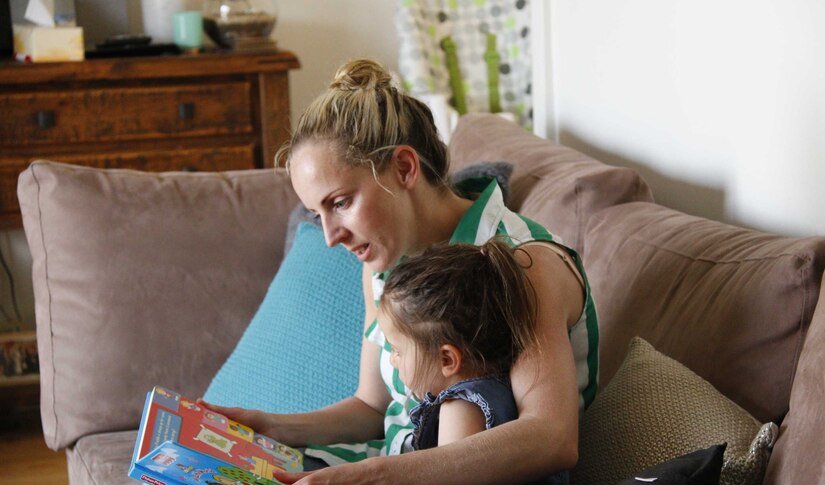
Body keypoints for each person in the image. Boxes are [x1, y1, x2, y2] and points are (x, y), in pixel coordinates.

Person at [202, 58, 598, 485]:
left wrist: (372, 476)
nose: (332, 237)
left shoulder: (521, 263)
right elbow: (372, 409)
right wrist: (269, 427)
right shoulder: (382, 263)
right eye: (319, 215)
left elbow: (552, 437)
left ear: (405, 168)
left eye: (340, 202)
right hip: (390, 461)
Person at [378, 238, 568, 485]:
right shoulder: (501, 389)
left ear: (447, 358)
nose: (393, 361)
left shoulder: (460, 407)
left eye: (397, 350)